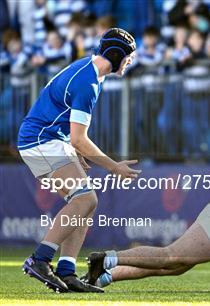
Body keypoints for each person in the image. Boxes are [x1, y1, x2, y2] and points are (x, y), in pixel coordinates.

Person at [18, 28, 140, 293]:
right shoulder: (89, 82)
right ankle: (39, 259)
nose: (130, 62)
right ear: (117, 55)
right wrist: (114, 166)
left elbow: (71, 135)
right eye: (129, 57)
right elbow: (79, 139)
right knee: (86, 199)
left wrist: (73, 153)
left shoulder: (89, 70)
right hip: (41, 142)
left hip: (47, 140)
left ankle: (67, 271)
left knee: (84, 203)